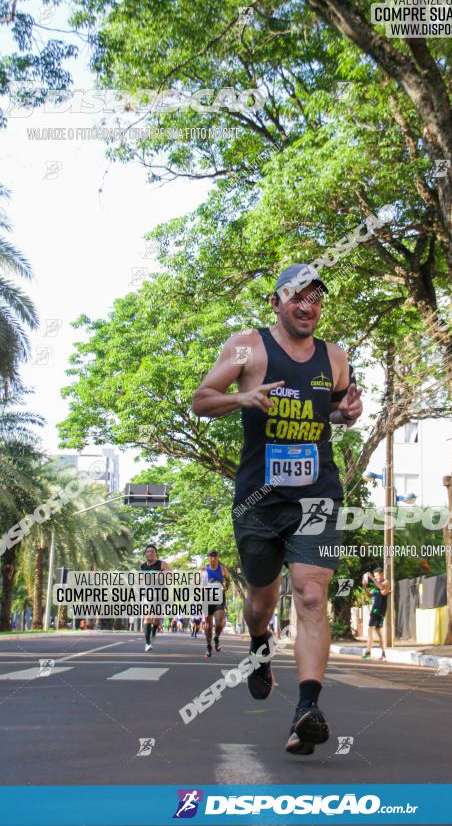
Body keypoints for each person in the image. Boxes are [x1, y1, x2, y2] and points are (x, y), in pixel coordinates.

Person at [192, 264, 363, 755]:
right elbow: (201, 400)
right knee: (261, 602)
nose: (307, 306)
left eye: (315, 298)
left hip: (316, 496)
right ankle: (260, 645)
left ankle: (307, 708)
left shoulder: (335, 356)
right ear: (277, 303)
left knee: (311, 595)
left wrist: (345, 414)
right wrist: (242, 397)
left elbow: (332, 410)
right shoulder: (247, 346)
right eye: (297, 298)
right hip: (258, 500)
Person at [140, 544, 170, 651]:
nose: (150, 553)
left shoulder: (162, 564)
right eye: (148, 551)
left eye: (152, 551)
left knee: (157, 620)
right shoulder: (143, 567)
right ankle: (147, 643)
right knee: (147, 616)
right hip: (148, 593)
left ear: (155, 554)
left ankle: (154, 631)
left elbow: (170, 575)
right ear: (145, 554)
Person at [201, 550, 230, 658]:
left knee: (219, 621)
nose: (213, 558)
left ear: (217, 558)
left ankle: (216, 637)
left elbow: (228, 580)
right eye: (211, 557)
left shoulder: (222, 569)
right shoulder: (204, 570)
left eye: (215, 556)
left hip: (219, 598)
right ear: (208, 558)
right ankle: (208, 646)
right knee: (208, 626)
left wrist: (226, 587)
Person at [361, 568, 391, 661]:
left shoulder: (386, 582)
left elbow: (382, 588)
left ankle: (368, 652)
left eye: (377, 576)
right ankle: (383, 654)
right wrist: (364, 586)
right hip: (375, 610)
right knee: (378, 631)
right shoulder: (375, 587)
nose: (376, 578)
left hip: (378, 610)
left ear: (382, 575)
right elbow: (369, 595)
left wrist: (372, 578)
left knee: (370, 629)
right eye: (375, 576)